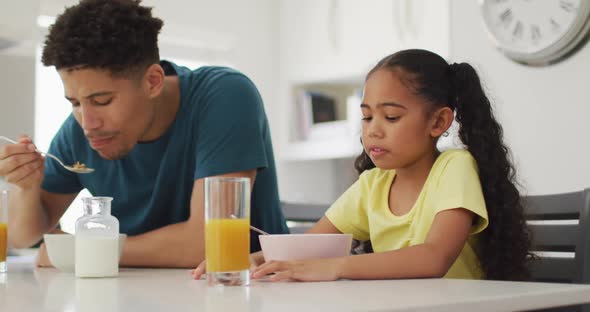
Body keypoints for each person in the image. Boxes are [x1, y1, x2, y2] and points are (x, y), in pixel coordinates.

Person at [193, 49, 532, 281]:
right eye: (367, 116)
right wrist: (253, 260)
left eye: (391, 116)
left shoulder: (455, 167)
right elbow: (311, 246)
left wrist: (336, 267)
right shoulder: (374, 185)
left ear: (439, 121)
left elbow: (434, 258)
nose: (373, 129)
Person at [0, 0, 288, 268]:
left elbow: (206, 244)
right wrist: (26, 188)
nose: (88, 122)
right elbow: (24, 237)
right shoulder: (79, 131)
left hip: (244, 290)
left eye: (102, 100)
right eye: (74, 102)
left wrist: (84, 251)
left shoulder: (224, 95)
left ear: (152, 81)